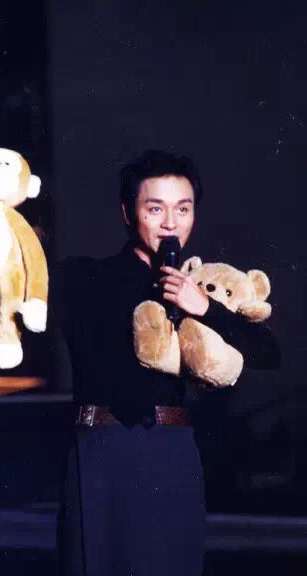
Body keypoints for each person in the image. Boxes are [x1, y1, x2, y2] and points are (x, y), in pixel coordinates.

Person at [54, 150, 279, 576]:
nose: (170, 223)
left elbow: (269, 352)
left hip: (171, 451)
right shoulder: (86, 276)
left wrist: (204, 307)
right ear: (128, 213)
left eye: (183, 209)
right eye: (155, 208)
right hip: (103, 448)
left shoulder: (204, 282)